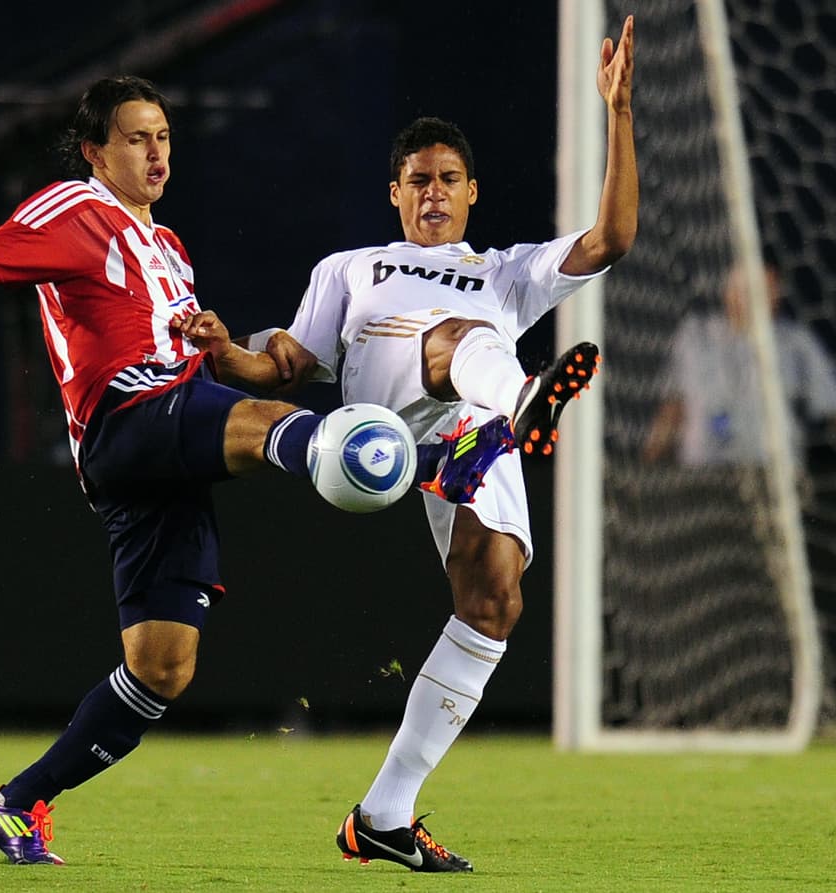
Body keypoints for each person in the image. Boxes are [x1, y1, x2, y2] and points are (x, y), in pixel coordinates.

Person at [0, 74, 487, 867]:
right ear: (95, 150)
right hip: (129, 421)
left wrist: (209, 336)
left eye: (162, 137)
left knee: (162, 667)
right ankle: (432, 462)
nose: (156, 153)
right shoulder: (76, 210)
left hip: (165, 451)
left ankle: (14, 803)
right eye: (135, 138)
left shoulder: (168, 245)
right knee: (270, 426)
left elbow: (165, 340)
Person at [206, 15, 637, 872]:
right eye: (416, 181)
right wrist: (225, 353)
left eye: (447, 179)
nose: (432, 192)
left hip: (472, 443)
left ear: (472, 191)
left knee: (495, 604)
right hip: (381, 446)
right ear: (394, 195)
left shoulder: (505, 269)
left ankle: (383, 814)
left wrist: (618, 115)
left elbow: (612, 238)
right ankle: (523, 400)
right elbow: (286, 364)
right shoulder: (350, 268)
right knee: (453, 337)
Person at [642, 257, 836, 470]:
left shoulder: (794, 341)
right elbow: (673, 404)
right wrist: (650, 457)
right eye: (743, 288)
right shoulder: (697, 334)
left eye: (764, 289)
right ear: (728, 289)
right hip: (705, 470)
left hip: (771, 469)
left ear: (777, 294)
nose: (751, 298)